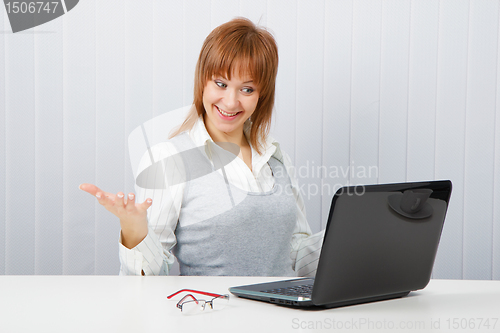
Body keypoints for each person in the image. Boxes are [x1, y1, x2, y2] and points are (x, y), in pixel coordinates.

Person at [80, 17, 323, 277]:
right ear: (203, 80)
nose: (230, 102)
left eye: (247, 89)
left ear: (262, 94)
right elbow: (149, 278)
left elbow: (297, 259)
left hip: (280, 316)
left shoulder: (276, 158)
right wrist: (134, 230)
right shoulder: (170, 159)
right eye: (221, 84)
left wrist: (351, 234)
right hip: (213, 315)